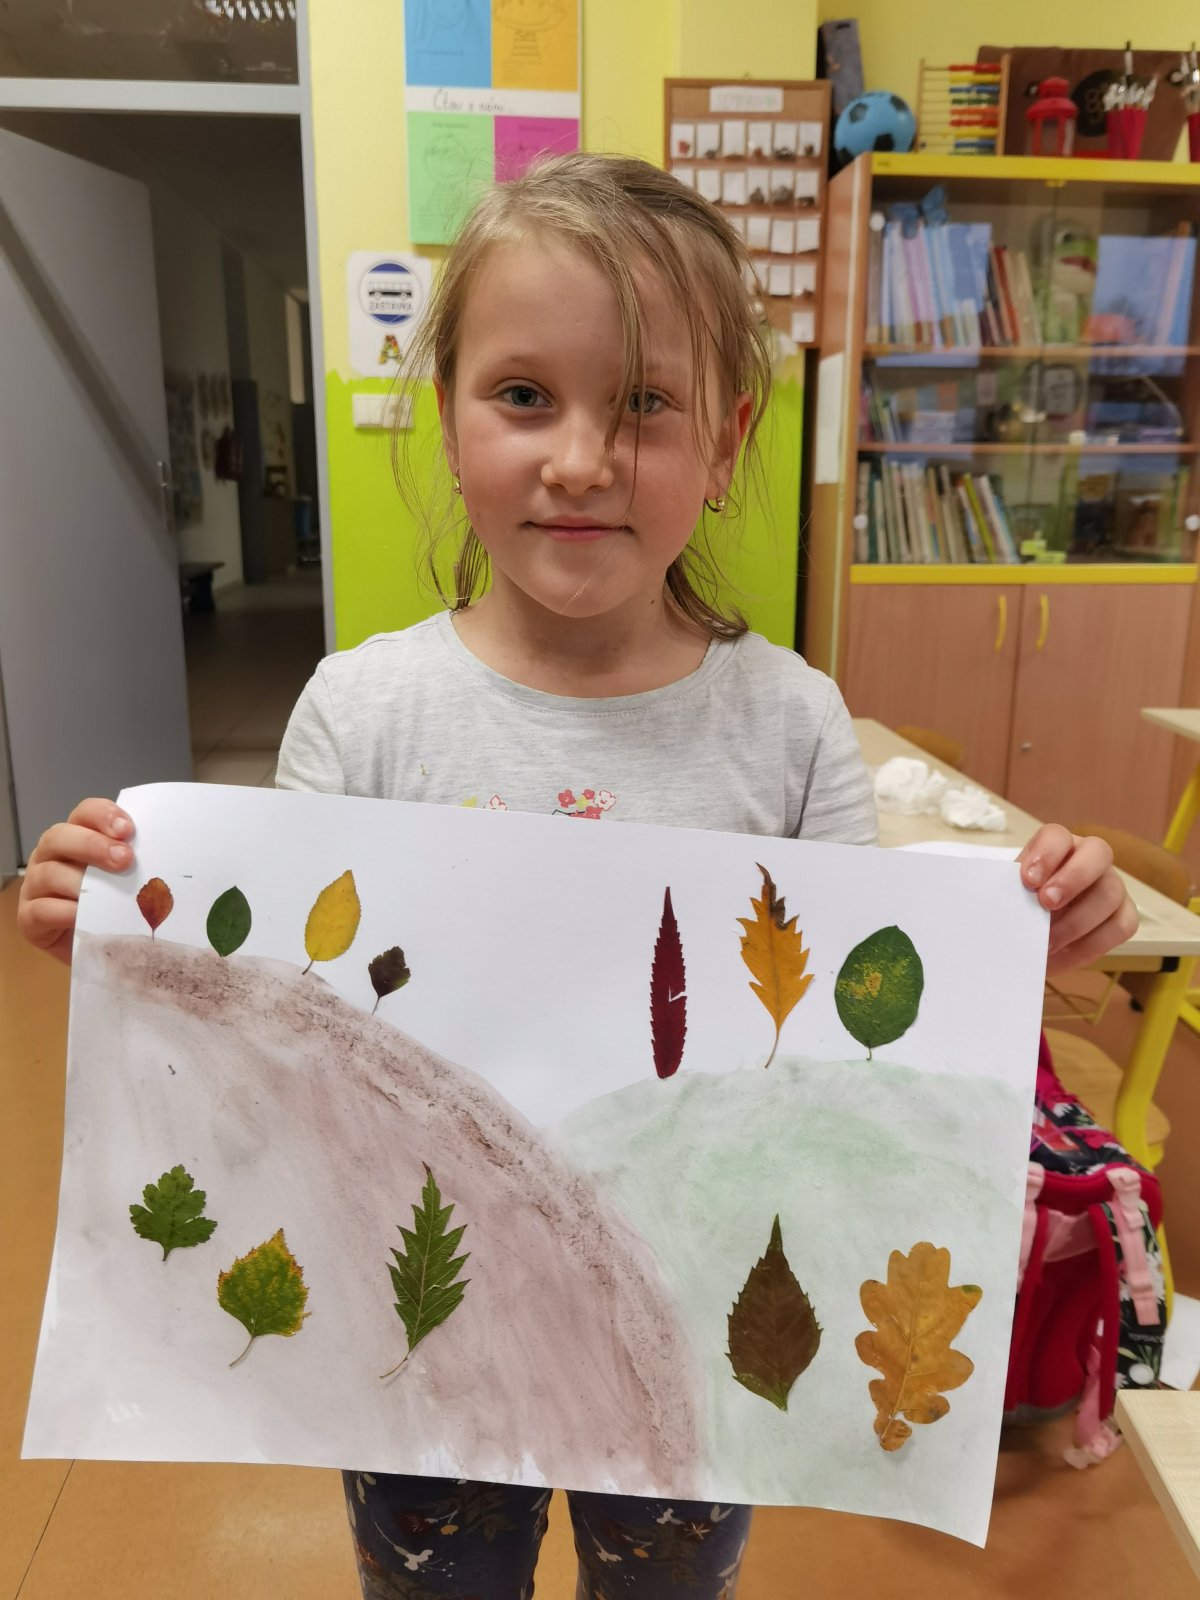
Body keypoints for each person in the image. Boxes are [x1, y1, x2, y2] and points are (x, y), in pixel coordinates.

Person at [18, 152, 1137, 1599]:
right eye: (525, 395)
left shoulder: (790, 724)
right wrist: (132, 952)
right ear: (447, 417)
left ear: (727, 441)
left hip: (684, 1328)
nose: (583, 460)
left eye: (648, 404)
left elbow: (848, 1050)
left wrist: (1022, 951)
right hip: (413, 1328)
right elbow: (281, 1038)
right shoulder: (363, 713)